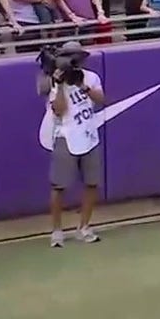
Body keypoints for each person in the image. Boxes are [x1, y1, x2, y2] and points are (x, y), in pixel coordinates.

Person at [41, 40, 106, 247]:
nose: (73, 60)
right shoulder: (54, 80)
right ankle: (57, 231)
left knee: (92, 183)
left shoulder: (91, 77)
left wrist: (82, 85)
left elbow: (102, 99)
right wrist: (60, 85)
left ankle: (84, 227)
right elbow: (59, 110)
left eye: (76, 56)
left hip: (89, 135)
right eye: (70, 56)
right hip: (65, 136)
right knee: (58, 186)